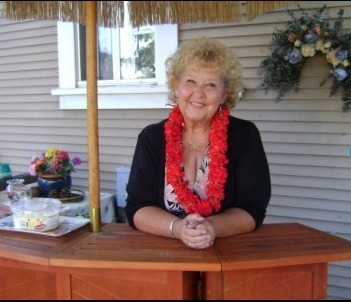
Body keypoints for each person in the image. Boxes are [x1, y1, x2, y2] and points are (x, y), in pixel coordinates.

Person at [125, 37, 271, 249]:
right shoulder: (152, 138)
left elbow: (252, 209)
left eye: (211, 84)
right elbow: (137, 207)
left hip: (226, 253)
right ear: (176, 87)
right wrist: (178, 229)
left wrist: (210, 228)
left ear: (224, 94)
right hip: (164, 254)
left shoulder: (245, 136)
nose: (199, 93)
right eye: (190, 81)